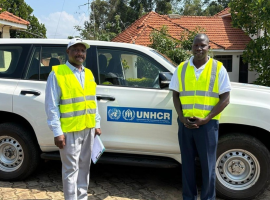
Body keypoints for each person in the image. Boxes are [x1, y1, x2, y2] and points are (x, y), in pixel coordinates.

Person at [169, 33, 231, 200]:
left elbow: (225, 98)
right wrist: (181, 117)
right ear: (192, 47)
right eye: (196, 45)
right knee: (187, 166)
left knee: (208, 166)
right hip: (185, 124)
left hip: (207, 125)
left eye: (203, 45)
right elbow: (175, 95)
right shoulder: (181, 68)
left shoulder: (218, 68)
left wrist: (207, 118)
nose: (199, 48)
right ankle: (188, 197)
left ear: (208, 47)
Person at [45, 38, 101, 200]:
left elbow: (92, 101)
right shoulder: (57, 73)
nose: (79, 53)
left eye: (82, 50)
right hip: (69, 131)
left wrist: (97, 123)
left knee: (84, 167)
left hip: (88, 128)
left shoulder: (88, 73)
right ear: (68, 51)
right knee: (71, 170)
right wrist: (57, 132)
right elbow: (51, 105)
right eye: (75, 50)